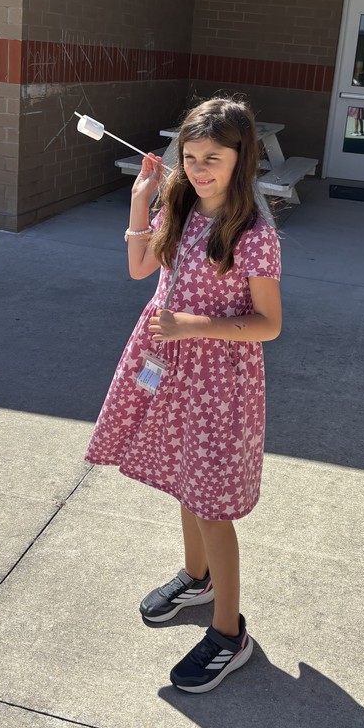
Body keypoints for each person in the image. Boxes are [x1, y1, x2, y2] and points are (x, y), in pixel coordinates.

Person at [84, 96, 283, 694]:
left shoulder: (253, 234)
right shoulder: (182, 206)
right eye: (190, 157)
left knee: (213, 505)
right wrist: (143, 200)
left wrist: (194, 326)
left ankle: (229, 633)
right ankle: (197, 578)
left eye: (212, 159)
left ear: (240, 160)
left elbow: (269, 323)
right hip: (169, 371)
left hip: (221, 384)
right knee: (184, 478)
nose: (199, 169)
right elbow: (141, 269)